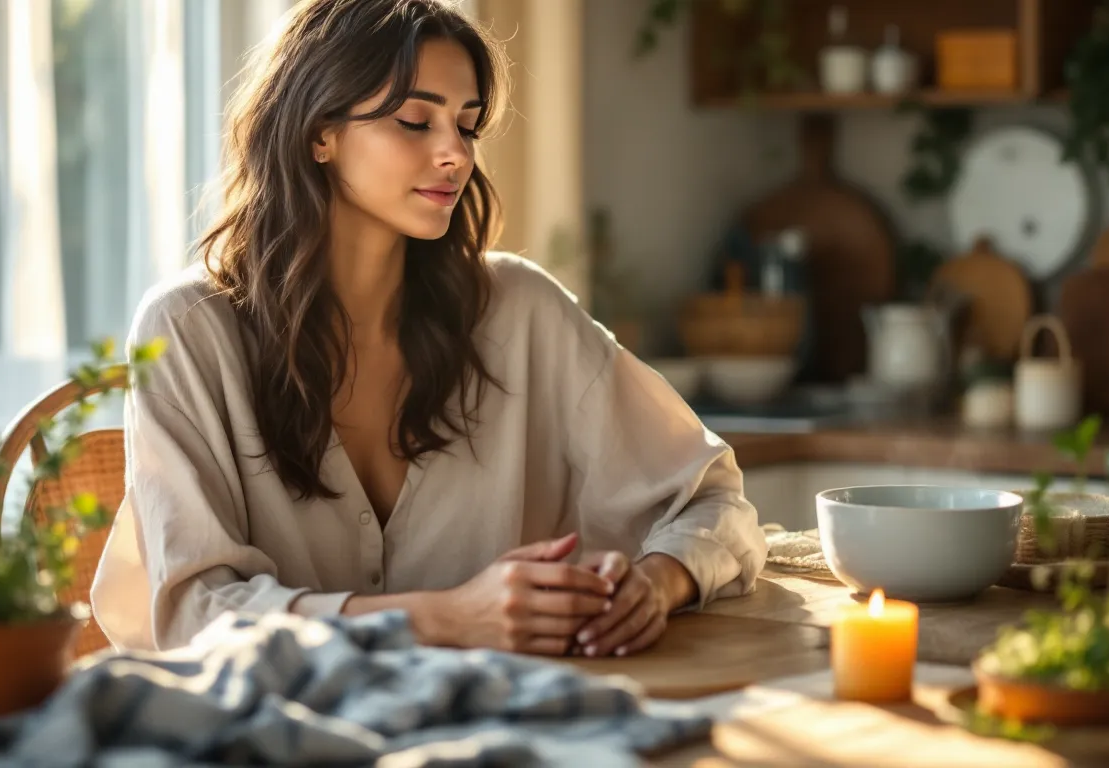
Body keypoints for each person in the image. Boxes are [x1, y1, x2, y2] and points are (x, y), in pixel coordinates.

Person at [91, 0, 767, 658]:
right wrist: (446, 619)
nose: (455, 155)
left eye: (467, 127)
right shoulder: (186, 331)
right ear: (318, 132)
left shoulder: (523, 312)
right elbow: (193, 616)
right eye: (415, 121)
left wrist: (655, 584)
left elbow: (715, 505)